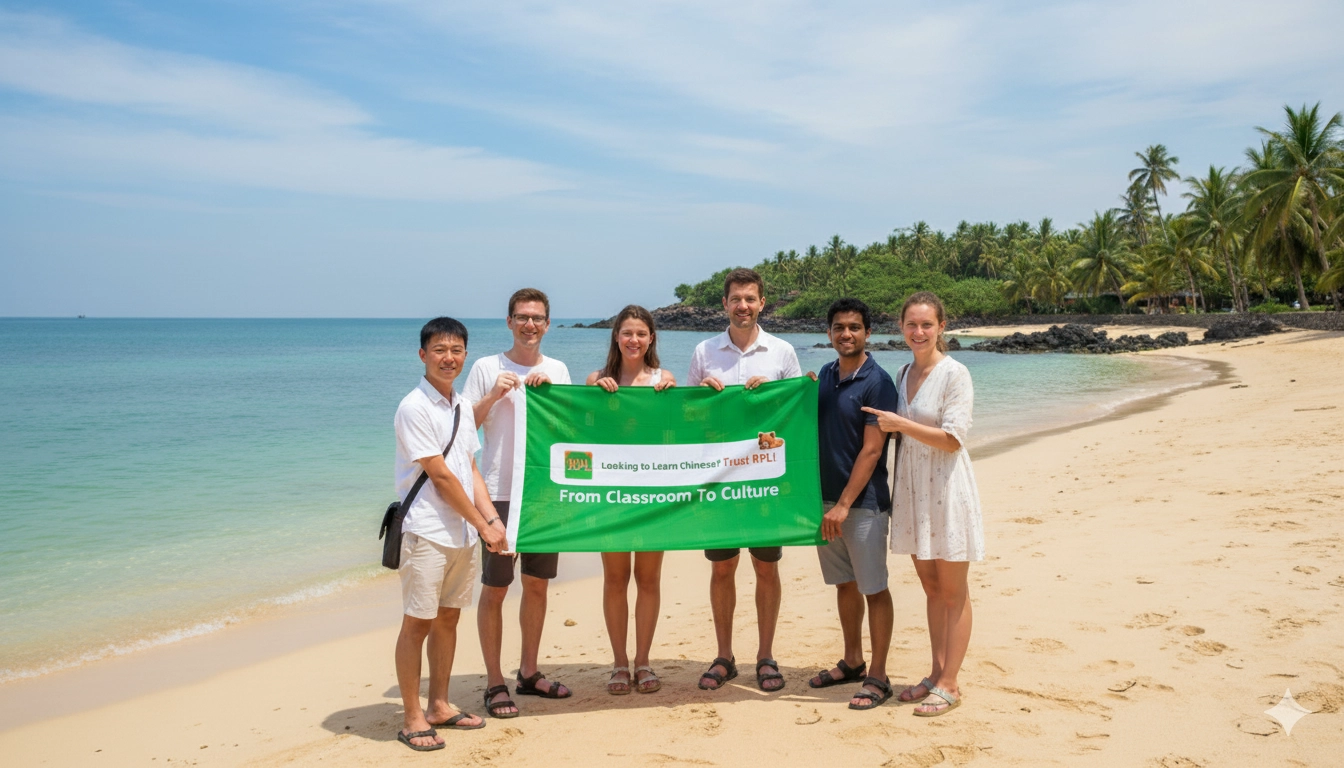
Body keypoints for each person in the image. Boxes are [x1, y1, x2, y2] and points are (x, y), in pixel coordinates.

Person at [861, 291, 985, 718]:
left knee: (954, 592)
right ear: (901, 328)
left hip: (947, 490)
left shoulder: (956, 373)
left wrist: (899, 424)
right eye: (911, 325)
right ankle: (935, 673)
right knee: (931, 588)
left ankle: (951, 682)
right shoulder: (900, 372)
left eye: (926, 325)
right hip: (912, 490)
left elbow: (953, 439)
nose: (918, 332)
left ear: (941, 327)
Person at [392, 317, 508, 751]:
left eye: (457, 350)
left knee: (448, 619)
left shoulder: (460, 404)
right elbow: (439, 476)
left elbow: (470, 468)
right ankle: (412, 716)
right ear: (423, 355)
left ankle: (440, 704)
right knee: (417, 623)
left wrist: (490, 520)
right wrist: (483, 525)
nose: (449, 357)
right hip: (426, 531)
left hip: (460, 534)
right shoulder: (413, 407)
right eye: (439, 350)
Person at [687, 268, 802, 693]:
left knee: (766, 568)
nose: (743, 306)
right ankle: (724, 656)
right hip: (718, 479)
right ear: (725, 304)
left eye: (751, 299)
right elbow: (688, 418)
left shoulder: (783, 351)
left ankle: (766, 656)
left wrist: (772, 392)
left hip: (764, 479)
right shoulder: (704, 351)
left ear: (762, 303)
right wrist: (701, 391)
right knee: (722, 569)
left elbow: (795, 415)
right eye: (736, 299)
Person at [461, 288, 573, 718]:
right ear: (509, 322)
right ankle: (494, 681)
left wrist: (553, 399)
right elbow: (461, 430)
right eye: (522, 317)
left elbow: (572, 428)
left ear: (547, 324)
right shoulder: (488, 367)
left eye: (537, 318)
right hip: (498, 494)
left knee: (538, 585)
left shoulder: (558, 369)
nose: (530, 324)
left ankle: (528, 671)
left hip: (544, 495)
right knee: (495, 587)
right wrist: (493, 395)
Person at [806, 298, 899, 711]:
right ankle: (853, 661)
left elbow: (871, 451)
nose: (847, 334)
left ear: (868, 333)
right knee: (844, 585)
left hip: (862, 505)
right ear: (828, 334)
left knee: (873, 588)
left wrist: (843, 505)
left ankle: (879, 675)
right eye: (839, 327)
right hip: (824, 503)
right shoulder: (824, 375)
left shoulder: (878, 382)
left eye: (855, 327)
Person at [585, 305, 676, 695]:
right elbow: (576, 427)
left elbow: (680, 427)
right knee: (615, 579)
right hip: (612, 495)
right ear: (616, 338)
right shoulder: (596, 379)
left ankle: (643, 661)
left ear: (651, 338)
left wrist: (675, 397)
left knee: (649, 579)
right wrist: (594, 396)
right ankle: (619, 663)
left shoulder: (664, 378)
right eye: (627, 333)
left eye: (641, 333)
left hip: (654, 494)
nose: (633, 340)